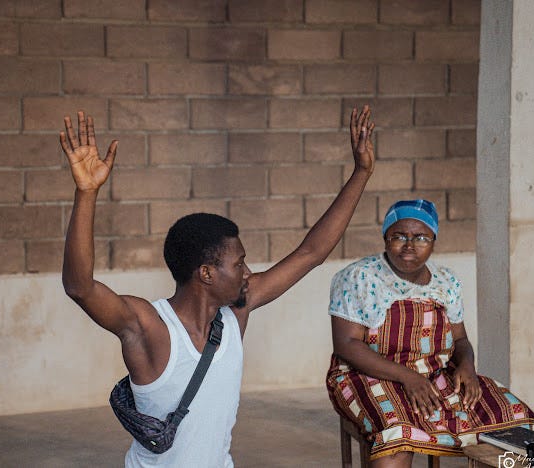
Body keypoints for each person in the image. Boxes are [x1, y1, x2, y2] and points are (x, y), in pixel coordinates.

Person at [59, 106, 375, 467]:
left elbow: (311, 253)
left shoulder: (235, 312)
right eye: (239, 264)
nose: (247, 272)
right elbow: (80, 287)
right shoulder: (149, 326)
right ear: (206, 273)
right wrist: (86, 193)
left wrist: (361, 173)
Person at [326, 199, 534, 467]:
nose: (409, 245)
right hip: (368, 375)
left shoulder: (446, 281)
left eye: (421, 238)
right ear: (385, 238)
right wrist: (408, 377)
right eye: (399, 236)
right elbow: (347, 344)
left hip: (435, 375)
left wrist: (467, 365)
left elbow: (460, 339)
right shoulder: (358, 277)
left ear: (433, 241)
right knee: (398, 436)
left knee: (518, 423)